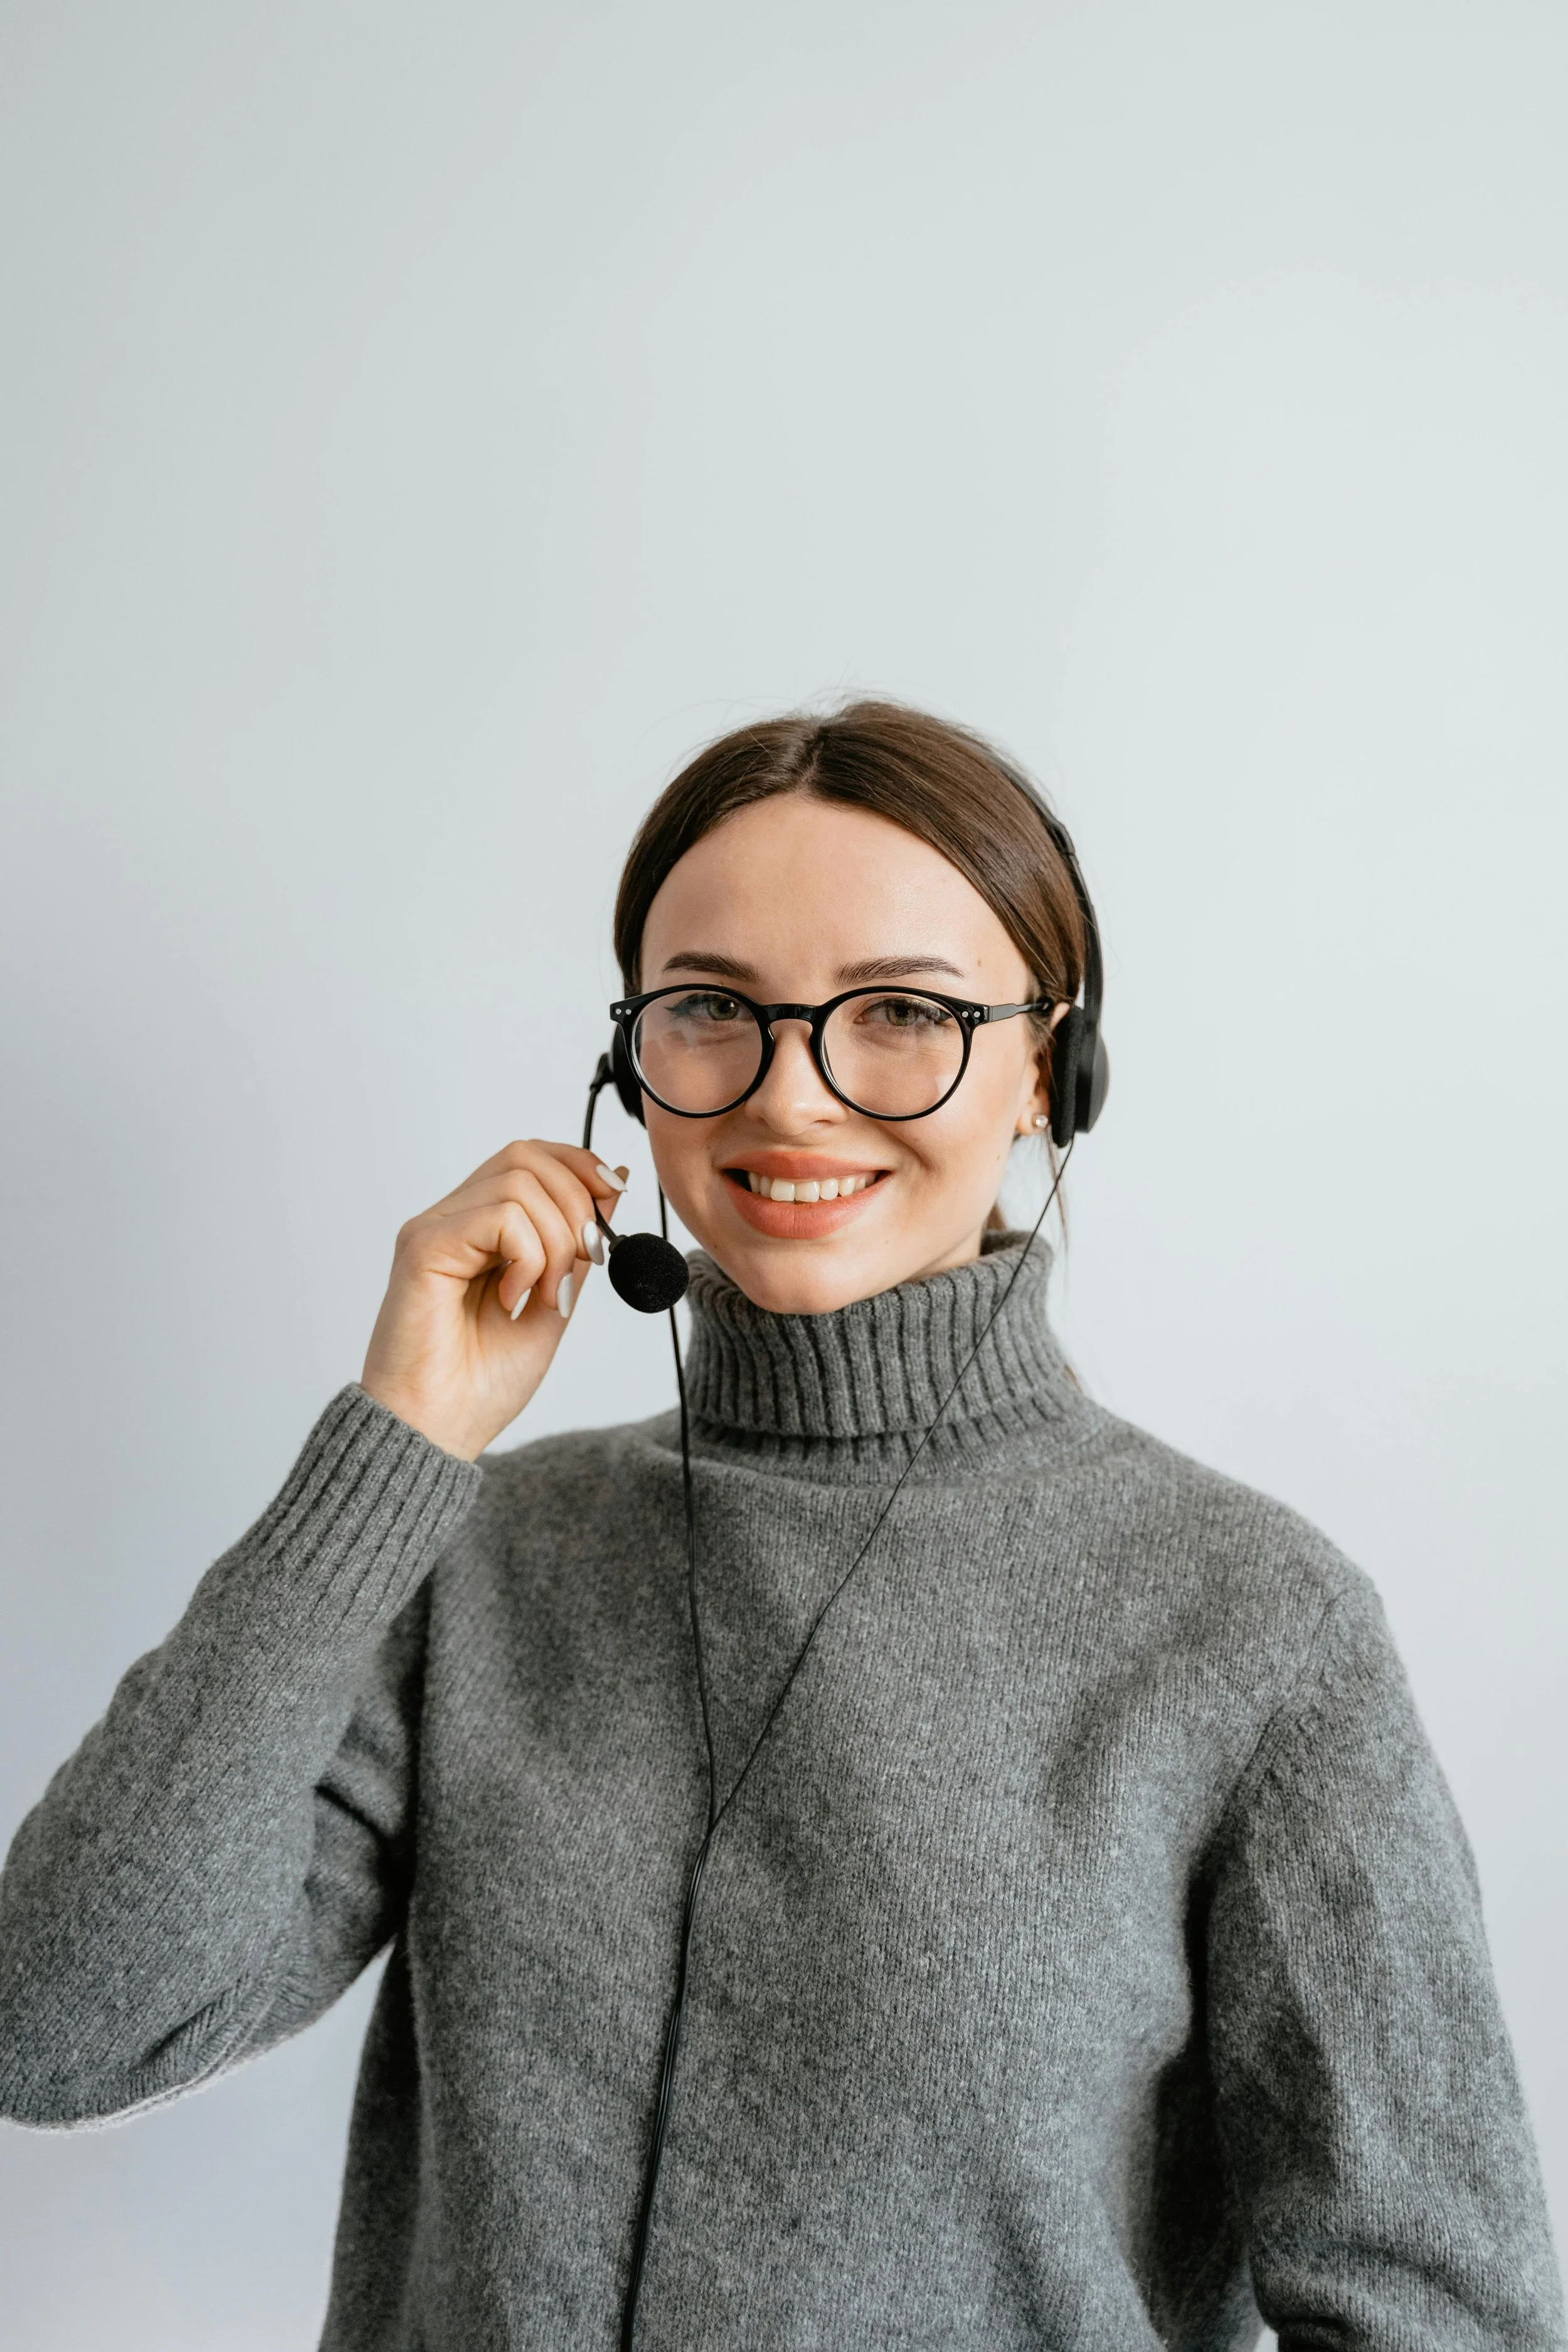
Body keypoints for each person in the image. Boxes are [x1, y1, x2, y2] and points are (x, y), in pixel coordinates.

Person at [0, 701, 1560, 2352]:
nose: (791, 1093)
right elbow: (58, 2024)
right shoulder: (476, 1555)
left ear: (1049, 1067)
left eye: (898, 1012)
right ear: (628, 1068)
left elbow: (1439, 2310)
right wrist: (393, 1446)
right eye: (709, 1011)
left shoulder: (1248, 1621)